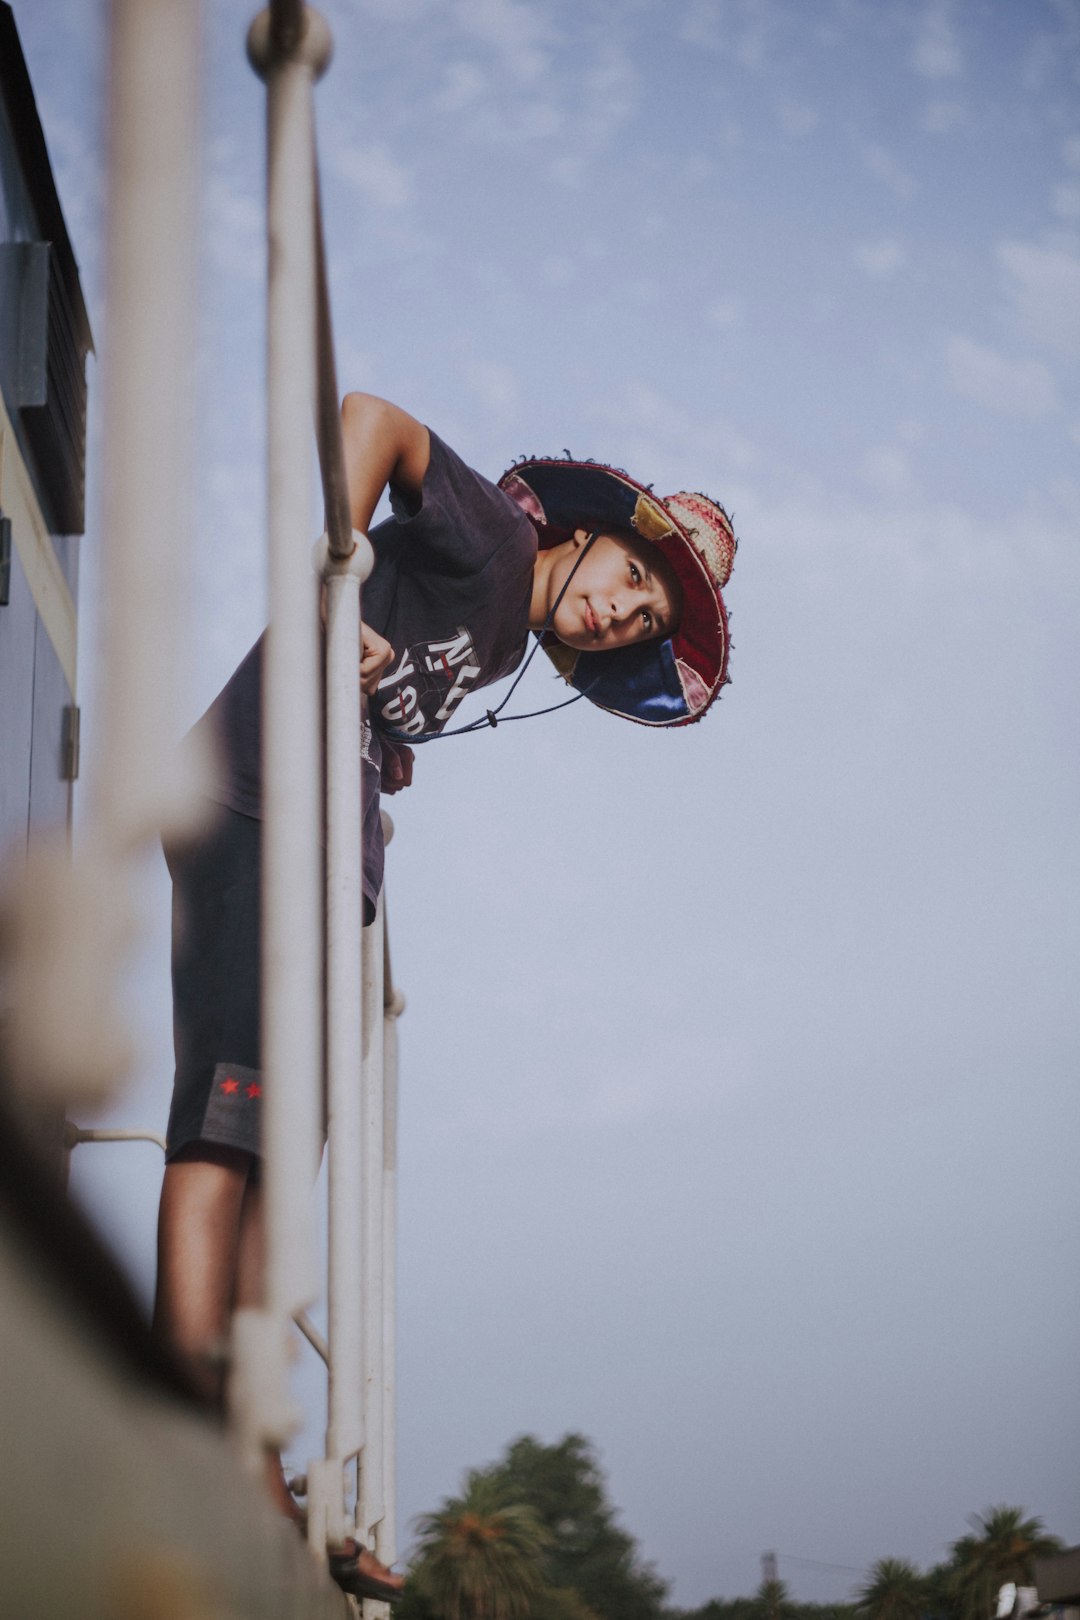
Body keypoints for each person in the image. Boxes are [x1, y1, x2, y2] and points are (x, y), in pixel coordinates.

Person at [153, 392, 736, 1596]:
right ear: (591, 536)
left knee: (282, 1168)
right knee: (227, 1122)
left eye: (641, 618)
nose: (620, 608)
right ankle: (183, 1425)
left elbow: (395, 669)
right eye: (631, 574)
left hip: (326, 854)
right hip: (258, 805)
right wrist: (329, 581)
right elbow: (372, 420)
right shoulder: (498, 537)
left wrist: (389, 722)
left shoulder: (511, 644)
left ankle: (257, 1464)